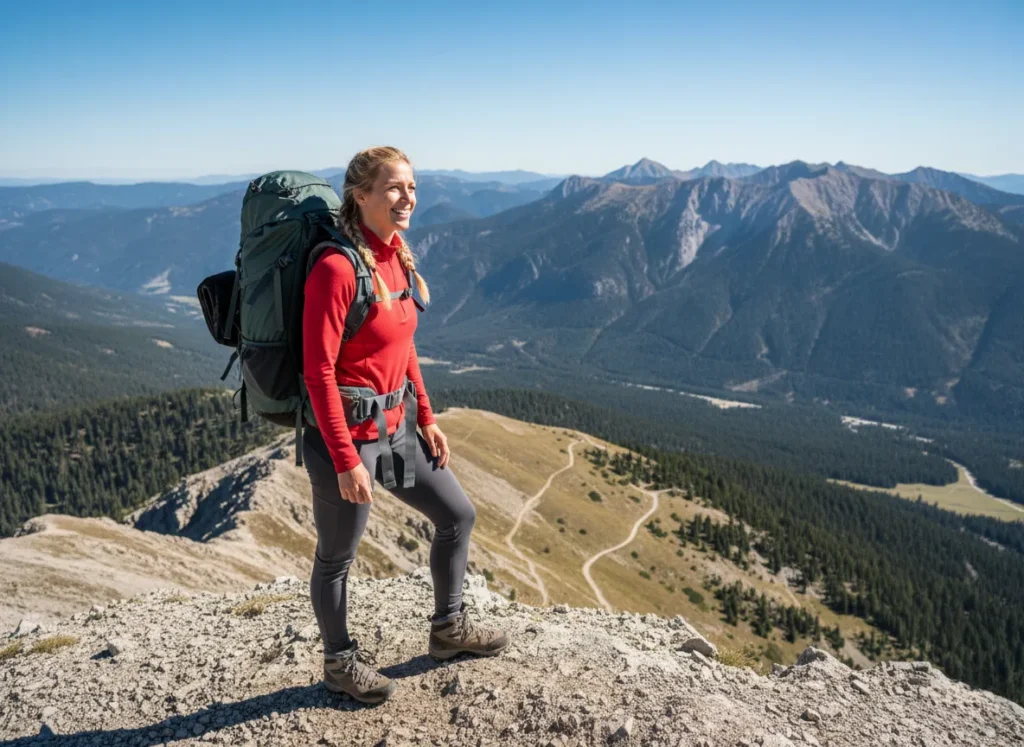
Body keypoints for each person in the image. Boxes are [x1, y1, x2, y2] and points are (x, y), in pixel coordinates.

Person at [301, 146, 508, 704]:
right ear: (360, 196)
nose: (407, 197)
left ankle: (448, 630)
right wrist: (345, 460)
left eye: (411, 187)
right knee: (337, 557)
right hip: (345, 438)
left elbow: (404, 346)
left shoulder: (395, 258)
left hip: (396, 429)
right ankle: (339, 663)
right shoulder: (335, 268)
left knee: (457, 514)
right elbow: (317, 370)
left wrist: (428, 417)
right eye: (394, 188)